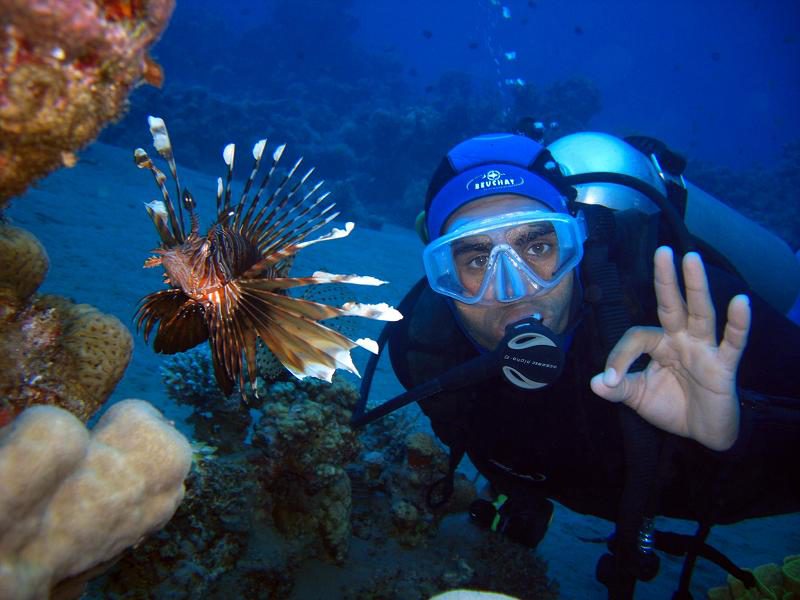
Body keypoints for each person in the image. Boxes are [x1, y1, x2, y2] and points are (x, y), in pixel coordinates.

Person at [353, 130, 800, 599]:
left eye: (539, 247)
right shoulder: (423, 352)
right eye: (477, 259)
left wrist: (732, 437)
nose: (513, 290)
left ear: (577, 241)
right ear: (443, 275)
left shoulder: (686, 309)